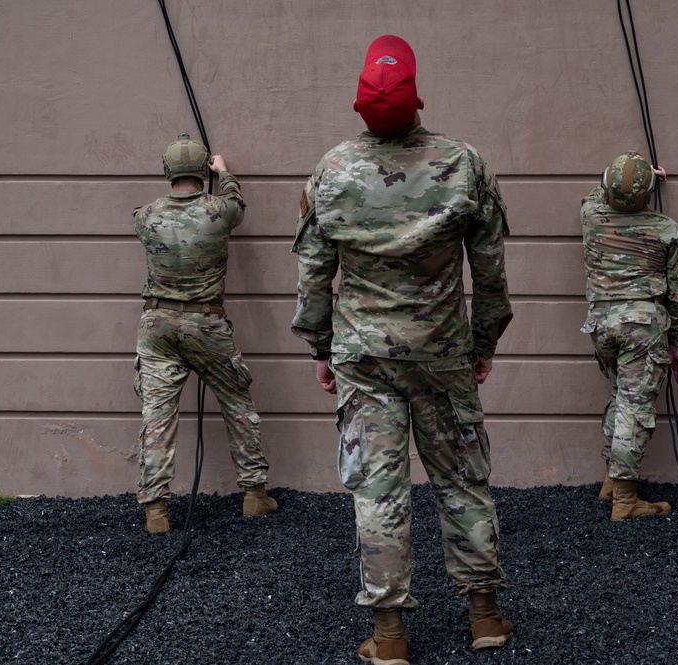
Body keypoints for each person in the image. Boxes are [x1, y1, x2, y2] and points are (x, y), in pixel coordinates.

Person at [291, 35, 514, 665]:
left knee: (377, 490)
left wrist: (318, 347)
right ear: (416, 96)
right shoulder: (463, 163)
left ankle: (389, 638)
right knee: (463, 480)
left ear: (360, 106)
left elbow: (314, 272)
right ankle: (486, 618)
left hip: (363, 356)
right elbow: (491, 270)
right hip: (443, 352)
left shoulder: (332, 171)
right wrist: (484, 339)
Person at [133, 133, 277, 534]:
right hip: (206, 325)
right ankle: (254, 494)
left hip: (157, 324)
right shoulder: (219, 212)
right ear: (202, 170)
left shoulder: (145, 216)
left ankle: (156, 510)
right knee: (236, 403)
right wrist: (225, 172)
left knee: (157, 416)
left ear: (166, 172)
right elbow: (237, 204)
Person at [580, 151, 678, 521]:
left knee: (620, 395)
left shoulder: (591, 216)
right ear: (646, 195)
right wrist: (675, 342)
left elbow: (597, 191)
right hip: (643, 327)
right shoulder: (667, 231)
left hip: (602, 325)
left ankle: (611, 479)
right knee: (635, 407)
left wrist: (633, 179)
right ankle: (625, 501)